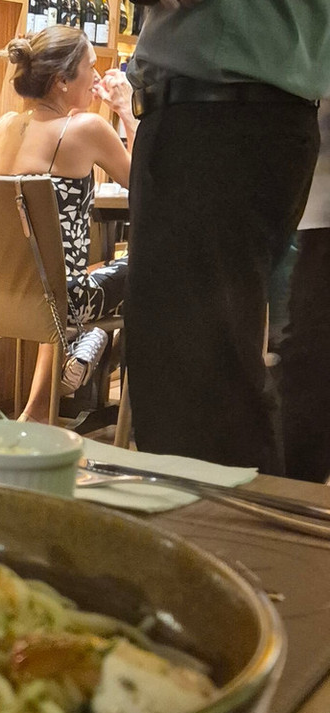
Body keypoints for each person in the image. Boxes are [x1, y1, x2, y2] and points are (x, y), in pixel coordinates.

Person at [122, 1, 330, 477]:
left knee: (196, 399)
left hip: (215, 120)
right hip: (247, 117)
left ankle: (227, 526)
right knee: (214, 378)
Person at [0, 26, 138, 423]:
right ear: (62, 81)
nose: (97, 76)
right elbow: (146, 181)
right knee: (148, 265)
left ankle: (47, 398)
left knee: (70, 276)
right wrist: (126, 110)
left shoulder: (3, 127)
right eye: (91, 67)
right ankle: (94, 367)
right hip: (63, 300)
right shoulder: (86, 128)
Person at [280, 98, 330, 483]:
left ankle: (296, 495)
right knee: (308, 361)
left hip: (317, 218)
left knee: (309, 361)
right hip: (314, 214)